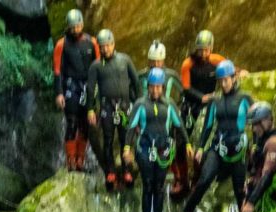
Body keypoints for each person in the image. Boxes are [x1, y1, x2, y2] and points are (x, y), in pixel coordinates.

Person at [176, 60, 252, 212]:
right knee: (204, 180)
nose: (224, 84)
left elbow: (256, 122)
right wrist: (201, 148)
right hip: (218, 149)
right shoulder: (215, 101)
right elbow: (208, 126)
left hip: (238, 151)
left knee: (240, 190)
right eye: (221, 81)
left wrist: (255, 146)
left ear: (234, 78)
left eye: (227, 80)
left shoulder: (245, 99)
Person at [124, 68, 188, 212]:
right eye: (152, 86)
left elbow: (179, 125)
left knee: (158, 187)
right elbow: (132, 126)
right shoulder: (140, 104)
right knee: (147, 186)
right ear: (148, 87)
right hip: (144, 149)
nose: (155, 90)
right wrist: (127, 148)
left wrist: (188, 144)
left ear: (163, 87)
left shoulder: (170, 104)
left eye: (158, 86)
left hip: (163, 150)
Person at [87, 29, 139, 189]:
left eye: (108, 46)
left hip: (124, 107)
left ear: (113, 44)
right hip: (107, 108)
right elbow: (91, 88)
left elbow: (136, 83)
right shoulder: (96, 66)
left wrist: (140, 107)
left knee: (126, 140)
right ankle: (110, 172)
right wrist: (90, 109)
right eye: (102, 47)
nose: (105, 49)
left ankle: (127, 171)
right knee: (108, 141)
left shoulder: (124, 60)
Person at [138, 41, 189, 197]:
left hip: (168, 114)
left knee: (175, 145)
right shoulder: (142, 76)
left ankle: (180, 178)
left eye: (159, 61)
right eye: (153, 61)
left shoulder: (171, 75)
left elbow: (184, 92)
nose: (156, 64)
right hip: (148, 116)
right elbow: (135, 93)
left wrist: (180, 108)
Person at [53, 9, 99, 171]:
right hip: (71, 87)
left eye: (78, 26)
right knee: (72, 123)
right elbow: (57, 70)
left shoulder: (91, 42)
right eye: (73, 27)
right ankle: (71, 161)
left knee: (85, 124)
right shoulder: (62, 44)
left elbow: (99, 65)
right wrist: (59, 93)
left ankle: (80, 160)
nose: (75, 30)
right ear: (69, 27)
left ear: (82, 25)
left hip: (87, 87)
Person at [179, 30, 225, 138]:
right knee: (184, 135)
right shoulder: (188, 64)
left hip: (210, 102)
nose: (203, 54)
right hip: (192, 103)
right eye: (200, 50)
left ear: (211, 48)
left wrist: (240, 71)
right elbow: (186, 87)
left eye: (206, 50)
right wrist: (201, 97)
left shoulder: (217, 60)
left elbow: (230, 70)